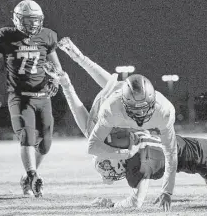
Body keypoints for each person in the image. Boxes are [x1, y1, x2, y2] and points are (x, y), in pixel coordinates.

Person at [42, 58, 207, 210]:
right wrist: (67, 83)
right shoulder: (126, 138)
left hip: (199, 156)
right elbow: (89, 124)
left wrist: (111, 206)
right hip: (194, 151)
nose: (110, 172)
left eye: (107, 169)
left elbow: (136, 202)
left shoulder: (136, 165)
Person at [57, 37, 177, 211]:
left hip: (116, 107)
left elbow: (109, 87)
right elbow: (111, 86)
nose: (100, 155)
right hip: (122, 108)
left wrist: (68, 79)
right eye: (105, 159)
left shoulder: (107, 133)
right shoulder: (123, 126)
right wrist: (77, 62)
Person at [0, 0, 63, 198]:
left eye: (35, 20)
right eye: (27, 21)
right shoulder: (5, 36)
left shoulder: (47, 36)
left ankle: (27, 177)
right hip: (19, 97)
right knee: (27, 135)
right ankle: (33, 176)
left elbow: (58, 68)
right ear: (17, 20)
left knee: (46, 143)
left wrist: (56, 81)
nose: (32, 25)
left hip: (42, 97)